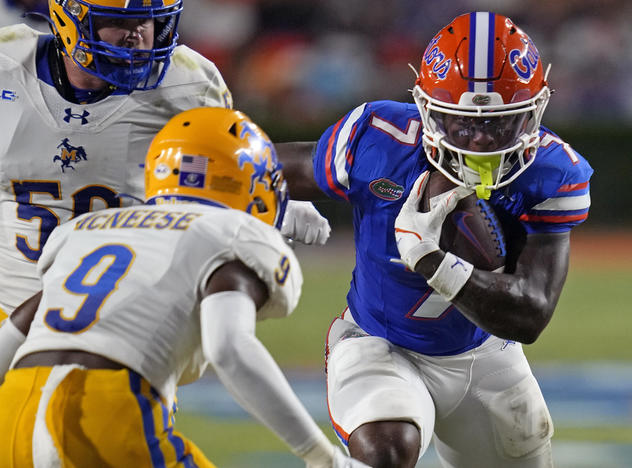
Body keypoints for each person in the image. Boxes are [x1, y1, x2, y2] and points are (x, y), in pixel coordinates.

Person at [276, 11, 594, 468]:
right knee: (386, 450)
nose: (481, 141)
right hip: (379, 341)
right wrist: (271, 201)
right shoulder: (377, 138)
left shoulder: (553, 173)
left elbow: (530, 315)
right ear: (426, 110)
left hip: (483, 351)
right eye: (464, 124)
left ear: (533, 113)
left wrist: (435, 264)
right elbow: (256, 165)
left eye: (499, 124)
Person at [0, 107, 368, 468]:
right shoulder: (235, 233)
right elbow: (228, 349)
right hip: (104, 410)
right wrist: (322, 456)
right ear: (250, 184)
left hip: (14, 412)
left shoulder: (86, 229)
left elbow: (20, 324)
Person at [0, 0, 330, 322]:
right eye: (118, 22)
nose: (137, 36)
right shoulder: (7, 66)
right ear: (69, 19)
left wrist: (266, 205)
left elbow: (216, 179)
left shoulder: (188, 84)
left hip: (125, 317)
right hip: (7, 306)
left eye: (148, 21)